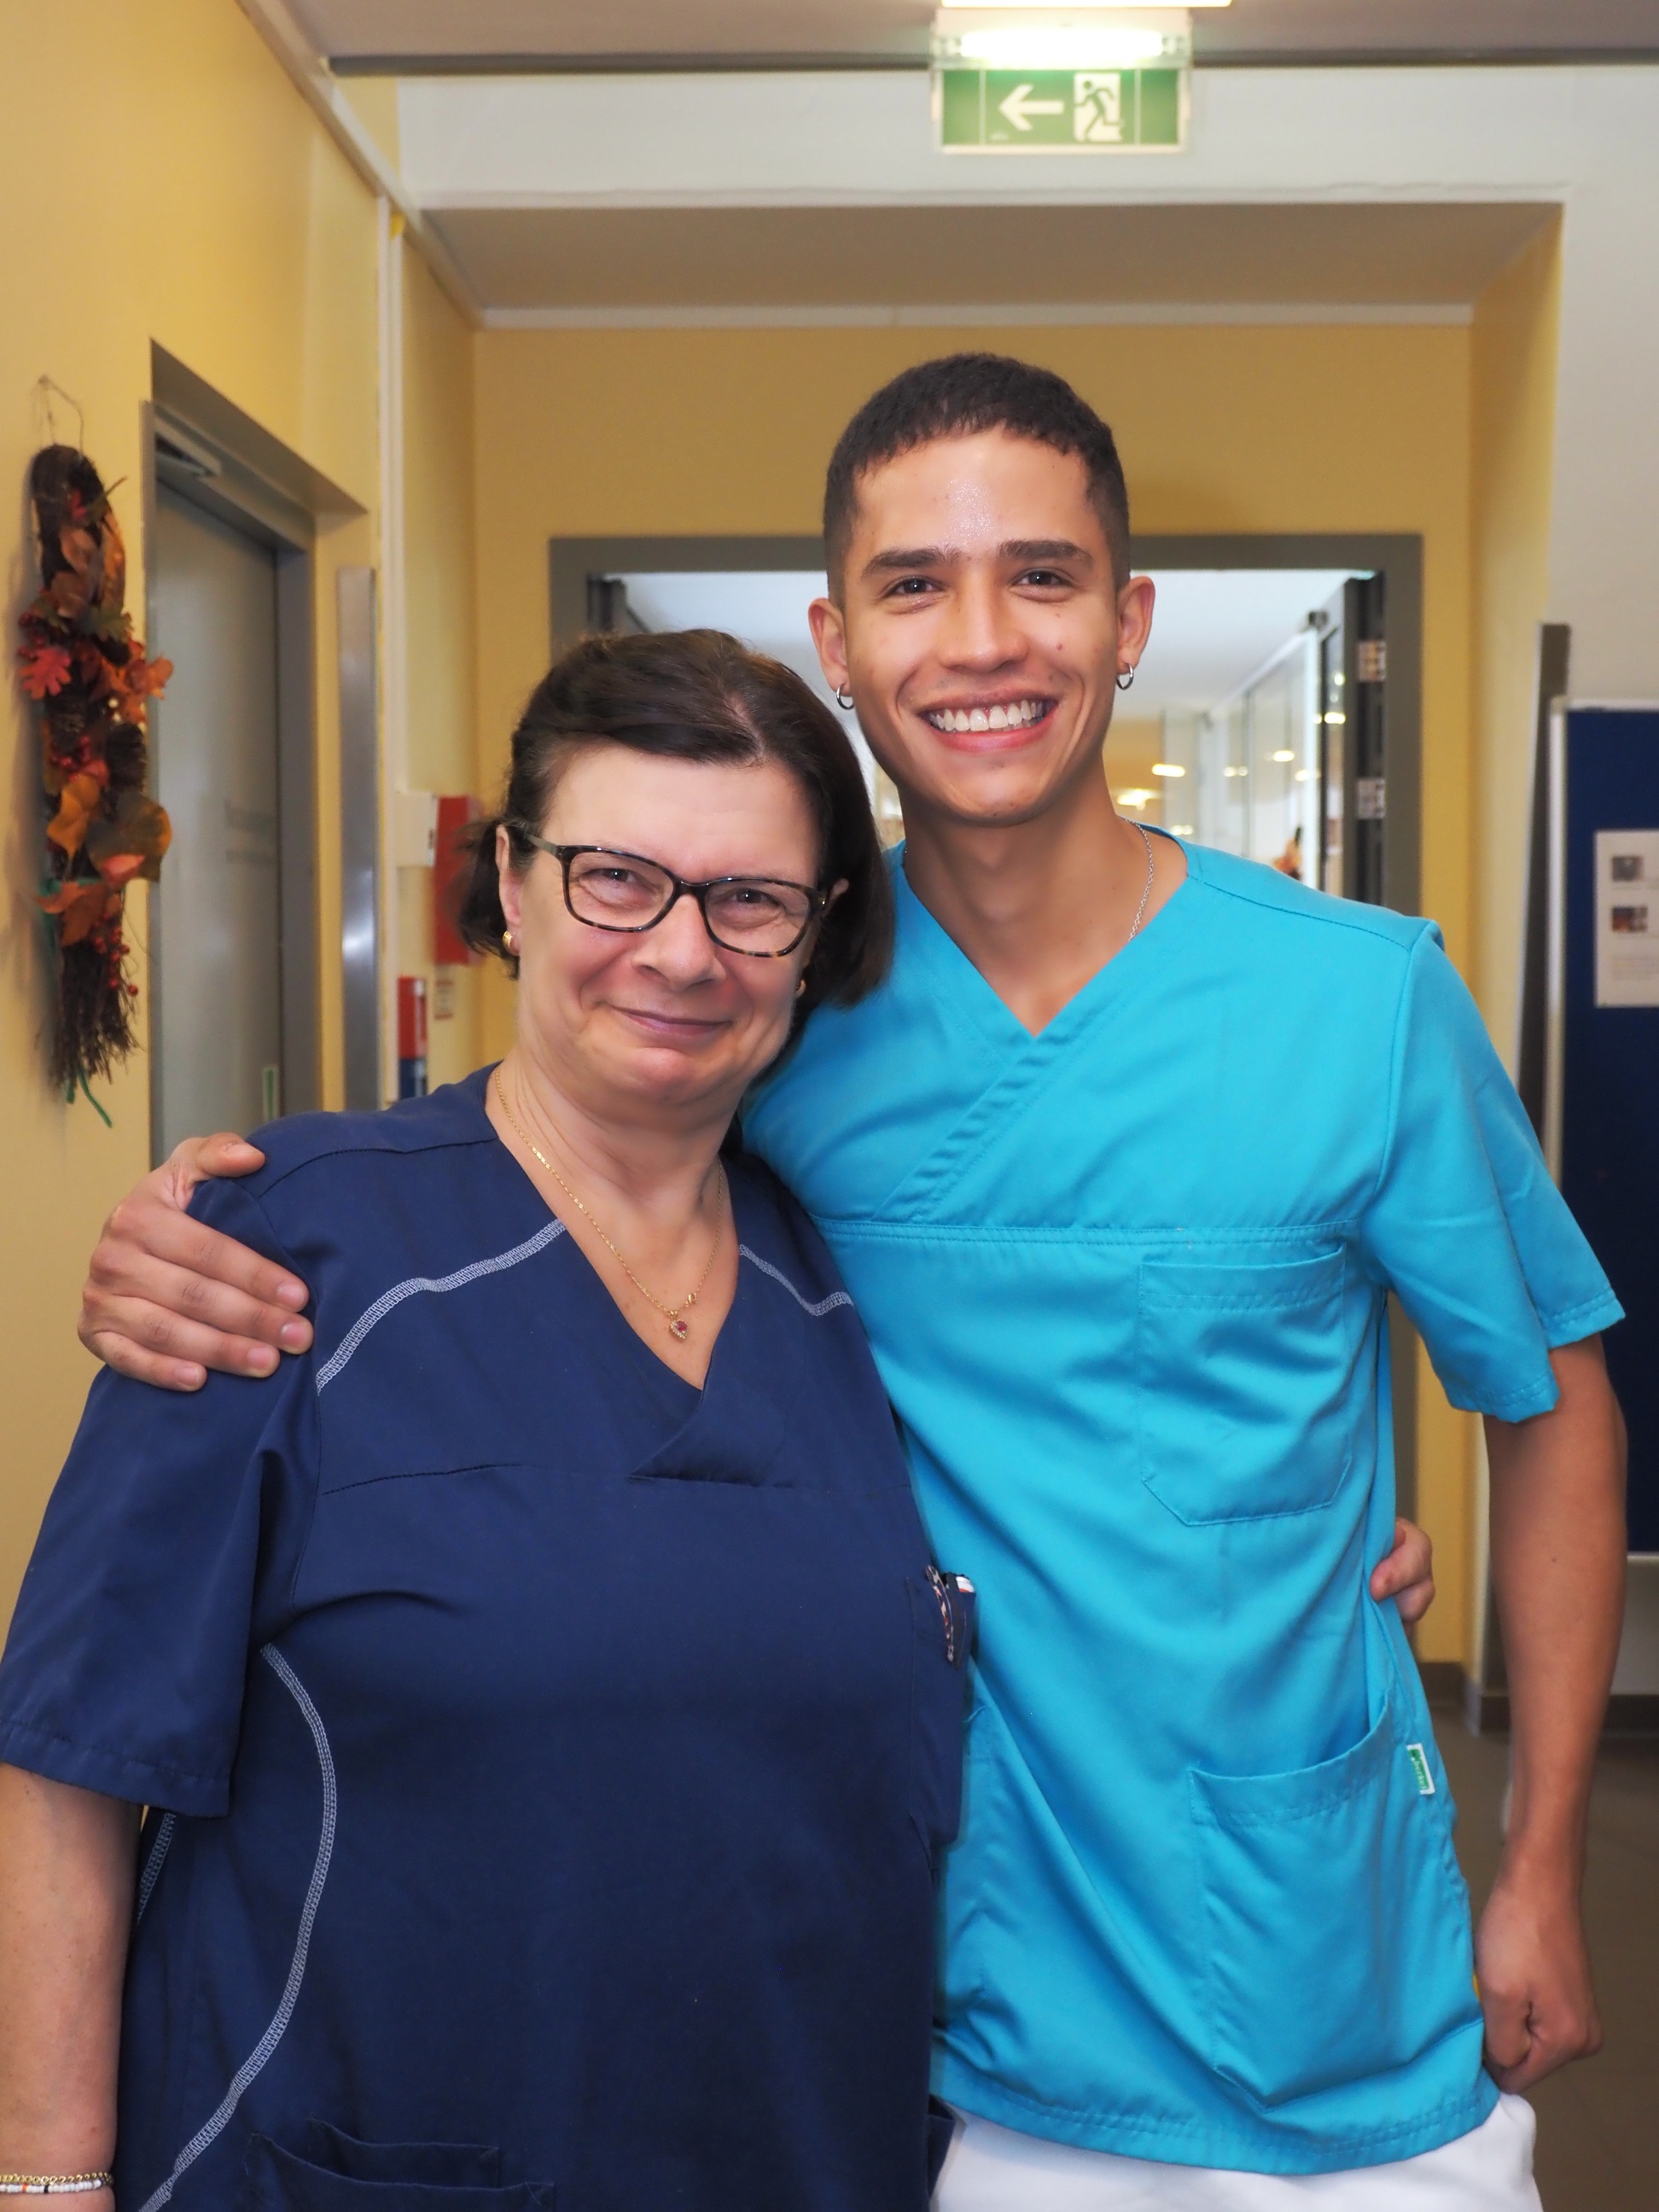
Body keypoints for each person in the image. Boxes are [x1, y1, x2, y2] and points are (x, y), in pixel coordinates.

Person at [72, 355, 1610, 2206]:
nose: (983, 639)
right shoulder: (778, 1012)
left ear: (1129, 622)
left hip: (1306, 1962)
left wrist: (1539, 1860)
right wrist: (198, 1227)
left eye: (1043, 577)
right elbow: (551, 1166)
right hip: (935, 1990)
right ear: (838, 641)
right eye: (914, 585)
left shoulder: (1361, 1001)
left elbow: (1552, 1397)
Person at [0, 631, 975, 2212]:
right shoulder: (280, 1252)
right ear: (513, 884)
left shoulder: (850, 1290)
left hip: (797, 2153)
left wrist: (1352, 1548)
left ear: (815, 938)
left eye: (750, 899)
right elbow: (70, 1756)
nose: (682, 952)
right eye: (616, 879)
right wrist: (43, 2185)